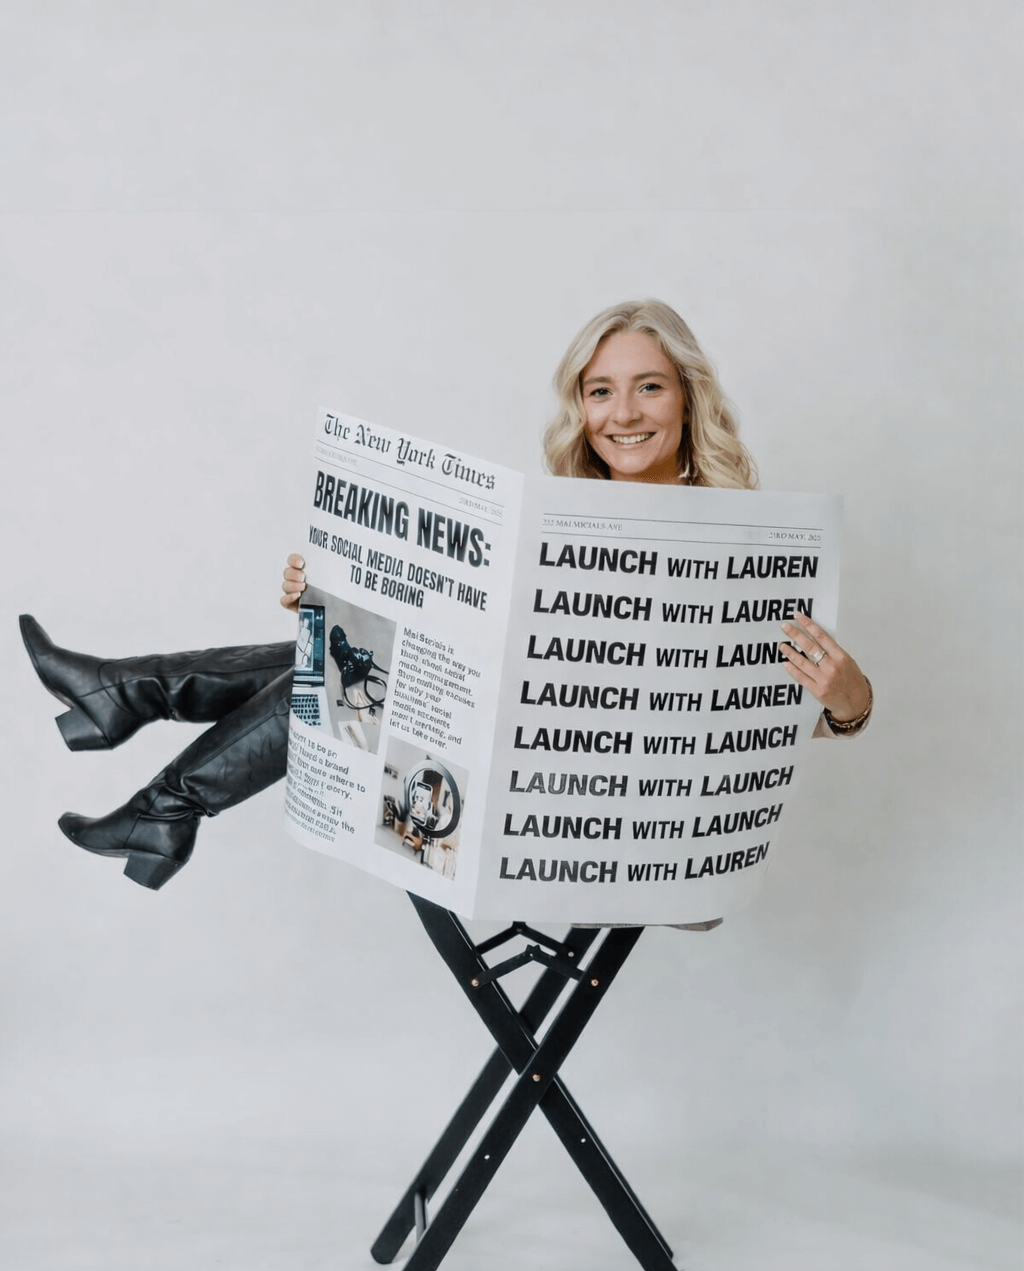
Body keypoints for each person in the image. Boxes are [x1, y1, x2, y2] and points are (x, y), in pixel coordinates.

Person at [22, 299, 871, 891]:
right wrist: (327, 598)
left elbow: (769, 713)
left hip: (594, 813)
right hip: (500, 759)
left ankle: (137, 729)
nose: (624, 412)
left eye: (649, 385)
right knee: (356, 650)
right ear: (580, 406)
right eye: (600, 389)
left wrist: (845, 700)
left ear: (687, 398)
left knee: (370, 667)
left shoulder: (743, 537)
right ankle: (148, 759)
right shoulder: (556, 520)